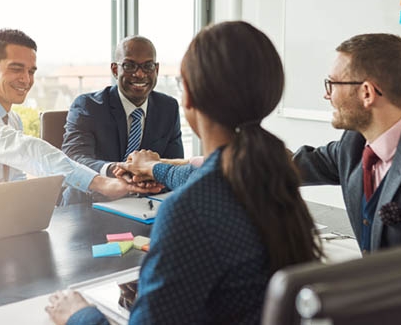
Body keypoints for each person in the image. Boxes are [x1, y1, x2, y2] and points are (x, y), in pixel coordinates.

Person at [45, 21, 322, 324]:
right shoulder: (275, 182)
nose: (140, 74)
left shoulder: (188, 211)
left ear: (188, 96)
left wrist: (78, 315)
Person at [126, 33, 401, 254]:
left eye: (332, 83)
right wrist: (160, 166)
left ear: (366, 92)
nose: (326, 93)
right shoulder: (354, 144)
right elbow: (276, 166)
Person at [0, 29, 159, 230]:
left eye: (31, 70)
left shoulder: (11, 120)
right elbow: (27, 150)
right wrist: (100, 182)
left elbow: (14, 185)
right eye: (16, 68)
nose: (26, 79)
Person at [61, 35, 184, 182]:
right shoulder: (88, 106)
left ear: (156, 69)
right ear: (115, 70)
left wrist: (150, 179)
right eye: (129, 66)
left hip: (147, 199)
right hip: (92, 200)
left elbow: (175, 165)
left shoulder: (168, 108)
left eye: (148, 66)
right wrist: (117, 170)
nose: (139, 74)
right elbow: (74, 159)